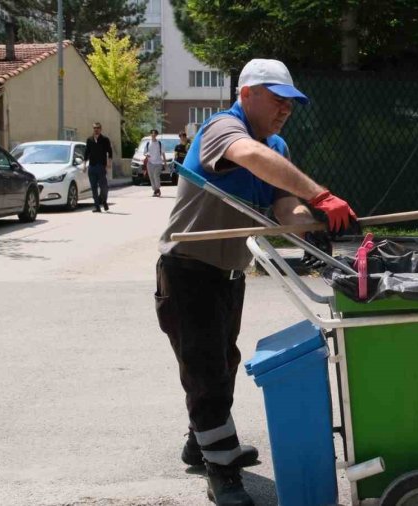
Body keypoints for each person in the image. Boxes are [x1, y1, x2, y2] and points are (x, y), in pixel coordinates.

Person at [155, 58, 357, 505]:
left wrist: (313, 221)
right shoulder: (222, 130)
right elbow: (249, 157)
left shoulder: (277, 147)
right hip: (187, 269)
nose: (286, 108)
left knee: (221, 361)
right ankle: (221, 471)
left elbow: (285, 208)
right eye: (277, 99)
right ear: (247, 94)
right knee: (206, 369)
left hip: (228, 274)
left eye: (291, 102)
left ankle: (200, 441)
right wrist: (319, 193)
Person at [83, 122, 113, 212]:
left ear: (101, 129)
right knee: (93, 187)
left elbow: (110, 152)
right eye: (95, 128)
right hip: (92, 166)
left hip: (101, 166)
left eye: (98, 128)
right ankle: (97, 207)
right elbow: (86, 153)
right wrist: (84, 165)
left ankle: (104, 201)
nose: (96, 129)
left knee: (104, 187)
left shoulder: (105, 139)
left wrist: (109, 163)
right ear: (93, 129)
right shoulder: (89, 140)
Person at [144, 129, 167, 197]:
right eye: (152, 134)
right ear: (150, 134)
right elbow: (144, 153)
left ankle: (158, 188)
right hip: (150, 163)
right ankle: (155, 190)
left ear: (156, 135)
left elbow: (163, 154)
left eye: (155, 134)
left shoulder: (159, 143)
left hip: (158, 163)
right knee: (151, 177)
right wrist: (146, 155)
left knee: (156, 176)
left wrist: (165, 163)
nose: (153, 135)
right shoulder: (148, 143)